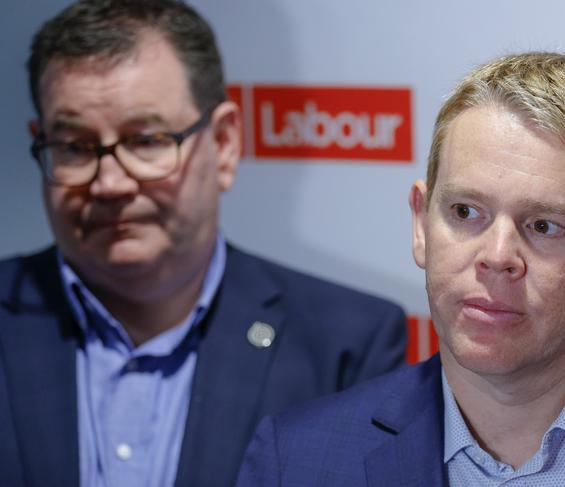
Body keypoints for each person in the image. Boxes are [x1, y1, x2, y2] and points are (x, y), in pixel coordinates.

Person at [0, 1, 407, 486]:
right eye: (73, 147)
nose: (109, 183)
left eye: (146, 140)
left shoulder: (346, 346)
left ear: (225, 143)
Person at [237, 52, 565, 486]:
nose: (497, 255)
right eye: (466, 211)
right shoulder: (295, 461)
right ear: (421, 224)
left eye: (544, 226)